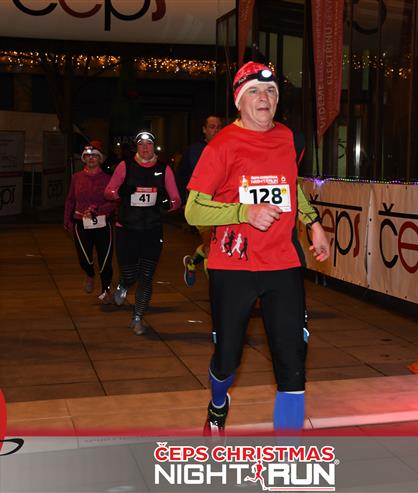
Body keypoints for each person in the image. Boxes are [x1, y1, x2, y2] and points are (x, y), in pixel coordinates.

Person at [185, 61, 330, 435]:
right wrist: (243, 212)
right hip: (233, 267)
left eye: (270, 91)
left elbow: (290, 186)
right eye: (253, 91)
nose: (263, 97)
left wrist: (313, 223)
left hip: (283, 263)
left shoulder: (288, 138)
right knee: (227, 359)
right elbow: (193, 210)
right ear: (239, 101)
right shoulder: (221, 146)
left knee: (292, 363)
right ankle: (218, 403)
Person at [104, 131, 182, 335]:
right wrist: (120, 192)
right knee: (131, 274)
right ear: (136, 147)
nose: (145, 148)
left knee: (146, 276)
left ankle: (137, 318)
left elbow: (176, 200)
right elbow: (108, 191)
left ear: (154, 147)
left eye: (149, 144)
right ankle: (124, 283)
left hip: (152, 229)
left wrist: (168, 203)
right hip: (127, 229)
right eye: (141, 144)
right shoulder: (125, 166)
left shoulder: (164, 169)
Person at [63, 140, 116, 303]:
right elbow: (70, 200)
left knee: (105, 259)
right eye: (88, 155)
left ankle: (106, 290)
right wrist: (67, 219)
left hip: (103, 223)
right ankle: (90, 274)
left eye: (95, 155)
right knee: (84, 258)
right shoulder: (76, 177)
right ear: (84, 159)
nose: (91, 158)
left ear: (100, 159)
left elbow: (114, 202)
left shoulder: (108, 179)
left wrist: (99, 210)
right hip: (81, 222)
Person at [177, 115, 223, 287]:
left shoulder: (227, 148)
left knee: (218, 245)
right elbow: (181, 177)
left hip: (224, 207)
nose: (215, 130)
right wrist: (181, 201)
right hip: (201, 206)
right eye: (212, 127)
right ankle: (217, 293)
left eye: (218, 127)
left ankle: (191, 262)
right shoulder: (194, 150)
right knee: (211, 247)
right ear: (204, 129)